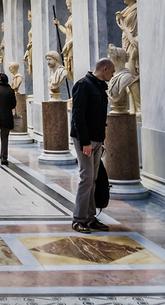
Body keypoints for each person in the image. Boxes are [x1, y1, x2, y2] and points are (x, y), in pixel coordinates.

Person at [70, 57, 114, 234]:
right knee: (86, 177)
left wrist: (100, 141)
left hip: (97, 139)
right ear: (104, 69)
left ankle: (89, 217)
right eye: (111, 71)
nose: (113, 74)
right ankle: (78, 219)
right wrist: (85, 142)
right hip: (85, 140)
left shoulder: (100, 87)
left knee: (93, 179)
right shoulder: (84, 84)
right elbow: (78, 116)